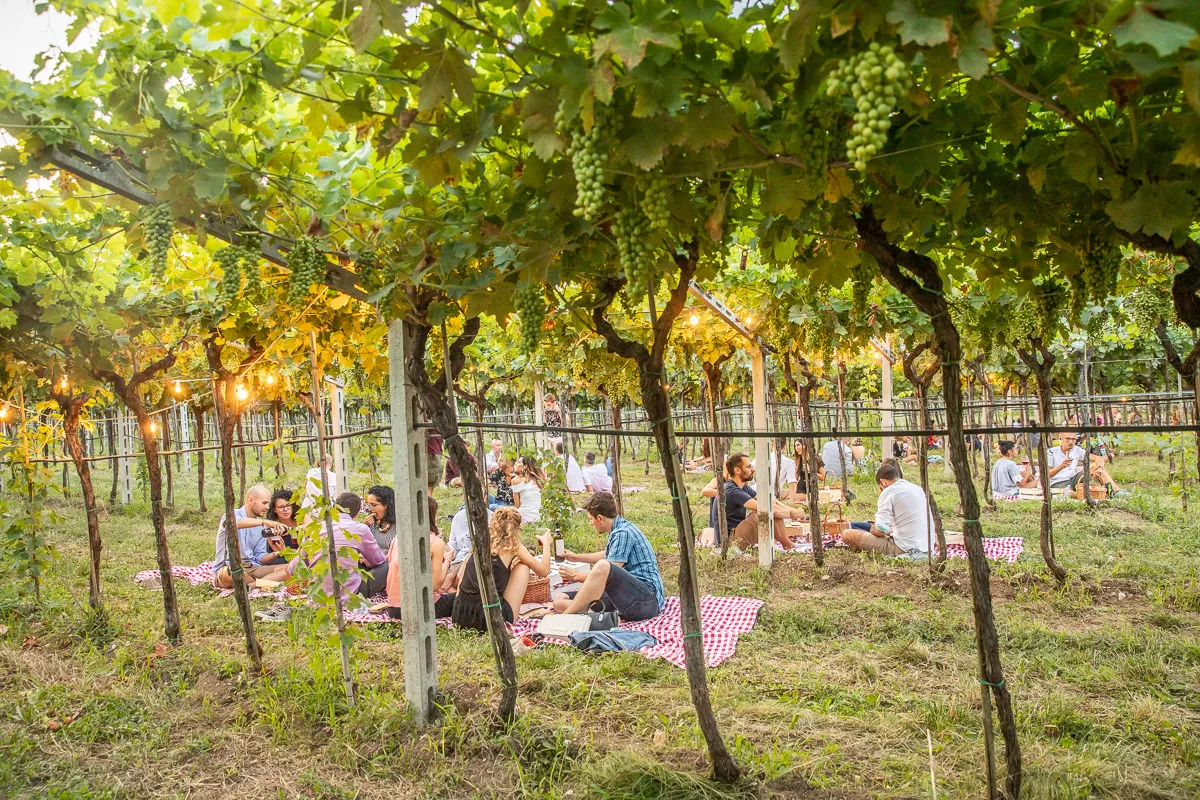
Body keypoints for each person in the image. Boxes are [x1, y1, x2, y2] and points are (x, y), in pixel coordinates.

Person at [553, 492, 664, 621]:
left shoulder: (623, 533)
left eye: (591, 519)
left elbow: (607, 573)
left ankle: (565, 618)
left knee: (602, 566)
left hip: (645, 601)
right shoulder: (619, 529)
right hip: (625, 596)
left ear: (599, 518)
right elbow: (609, 555)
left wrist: (576, 576)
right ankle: (600, 617)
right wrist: (576, 557)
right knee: (560, 600)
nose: (590, 524)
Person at [449, 508, 553, 632]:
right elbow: (543, 571)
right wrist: (546, 544)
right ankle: (510, 618)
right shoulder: (513, 546)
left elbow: (461, 579)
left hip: (461, 614)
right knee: (523, 567)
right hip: (489, 618)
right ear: (516, 529)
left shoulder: (480, 542)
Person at [285, 491, 387, 601]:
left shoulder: (316, 527)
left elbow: (294, 566)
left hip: (317, 595)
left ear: (334, 508)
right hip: (349, 595)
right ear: (357, 514)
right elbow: (378, 561)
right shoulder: (360, 529)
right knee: (388, 566)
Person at [700, 452, 805, 551]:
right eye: (749, 467)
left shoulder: (742, 487)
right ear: (737, 470)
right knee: (762, 512)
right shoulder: (732, 490)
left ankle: (787, 545)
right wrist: (792, 514)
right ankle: (788, 545)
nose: (753, 469)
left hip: (736, 533)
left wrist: (792, 509)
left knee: (769, 508)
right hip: (730, 542)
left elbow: (768, 501)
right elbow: (764, 507)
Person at [842, 462, 934, 558]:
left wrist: (873, 529)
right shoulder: (917, 488)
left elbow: (881, 530)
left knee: (847, 534)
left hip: (904, 547)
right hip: (927, 546)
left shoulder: (889, 492)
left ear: (883, 482)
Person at [213, 485, 291, 588]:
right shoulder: (231, 515)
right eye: (264, 503)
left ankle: (253, 585)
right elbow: (233, 523)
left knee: (291, 568)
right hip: (229, 567)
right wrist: (265, 522)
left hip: (252, 567)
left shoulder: (260, 527)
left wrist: (278, 553)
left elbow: (260, 556)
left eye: (268, 503)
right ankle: (266, 583)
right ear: (250, 500)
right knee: (228, 574)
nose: (267, 507)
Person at [383, 496, 448, 617]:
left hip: (393, 608)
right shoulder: (436, 543)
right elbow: (435, 585)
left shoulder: (397, 538)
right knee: (464, 600)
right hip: (421, 608)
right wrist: (448, 560)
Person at [445, 488, 494, 592]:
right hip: (456, 562)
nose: (473, 502)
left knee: (453, 580)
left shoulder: (492, 520)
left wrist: (452, 574)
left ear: (485, 499)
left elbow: (481, 552)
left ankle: (454, 594)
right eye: (469, 499)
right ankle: (454, 594)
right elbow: (452, 546)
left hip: (476, 565)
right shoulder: (458, 517)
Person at [510, 454, 545, 523]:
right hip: (541, 516)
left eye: (519, 462)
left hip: (526, 516)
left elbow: (517, 505)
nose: (516, 463)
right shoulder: (539, 480)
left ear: (525, 466)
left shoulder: (515, 481)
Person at [365, 485, 397, 552]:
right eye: (369, 505)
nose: (370, 509)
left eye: (374, 505)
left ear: (386, 505)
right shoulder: (373, 524)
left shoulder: (398, 526)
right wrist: (365, 527)